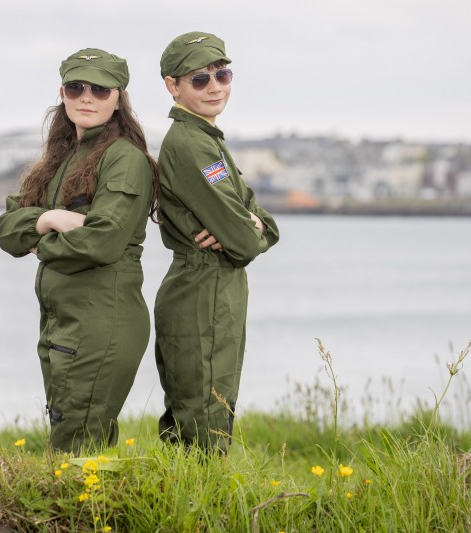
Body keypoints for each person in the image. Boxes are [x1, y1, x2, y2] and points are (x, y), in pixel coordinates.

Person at [0, 48, 159, 453]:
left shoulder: (125, 159)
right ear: (63, 93)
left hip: (100, 321)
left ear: (118, 97)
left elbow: (101, 242)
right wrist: (50, 218)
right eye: (76, 87)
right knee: (72, 438)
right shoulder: (60, 158)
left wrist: (38, 240)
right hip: (61, 322)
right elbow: (6, 231)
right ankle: (91, 515)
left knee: (77, 444)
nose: (86, 97)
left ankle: (89, 517)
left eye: (100, 89)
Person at [154, 32, 280, 452]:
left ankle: (186, 505)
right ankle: (199, 513)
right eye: (199, 80)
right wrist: (253, 229)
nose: (215, 87)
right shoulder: (192, 145)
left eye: (222, 75)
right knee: (205, 420)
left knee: (201, 411)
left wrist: (256, 226)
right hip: (203, 287)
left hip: (211, 287)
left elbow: (255, 222)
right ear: (173, 86)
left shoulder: (206, 139)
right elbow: (244, 241)